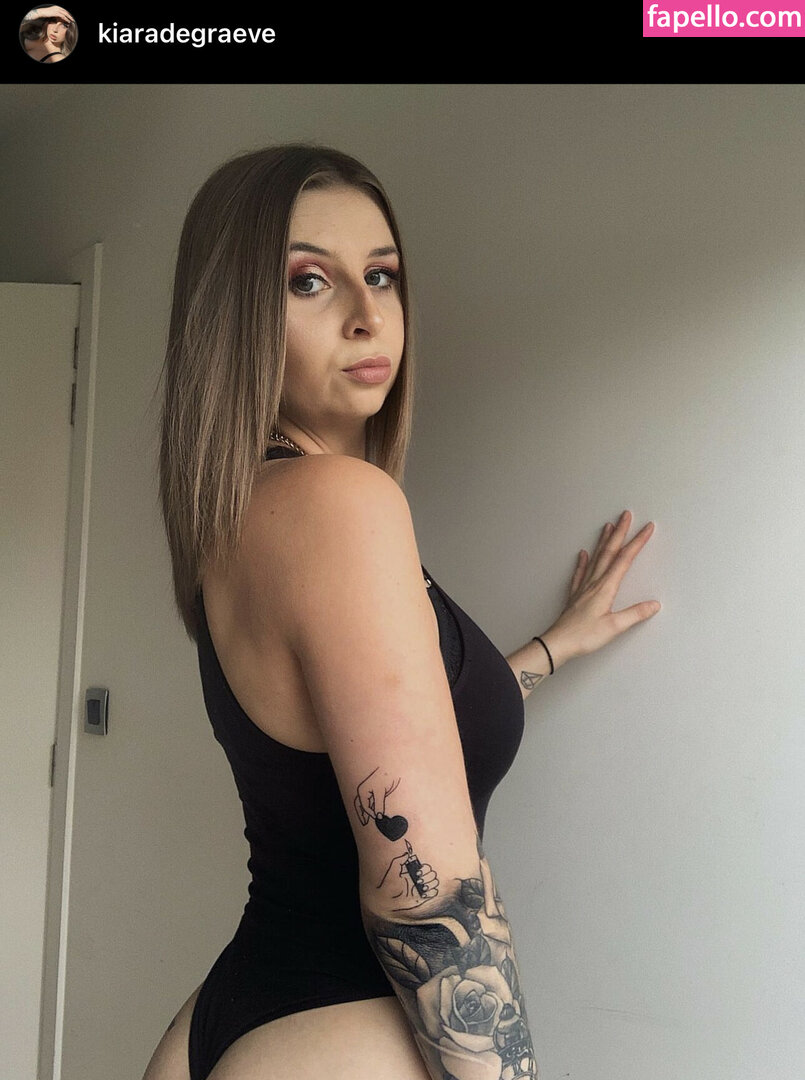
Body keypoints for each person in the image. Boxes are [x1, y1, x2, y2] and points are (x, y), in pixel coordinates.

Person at [144, 144, 660, 1080]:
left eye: (382, 275)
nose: (367, 314)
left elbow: (385, 725)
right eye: (309, 281)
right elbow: (427, 899)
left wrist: (550, 649)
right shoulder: (342, 503)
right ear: (233, 317)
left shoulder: (245, 510)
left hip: (244, 1008)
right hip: (343, 1026)